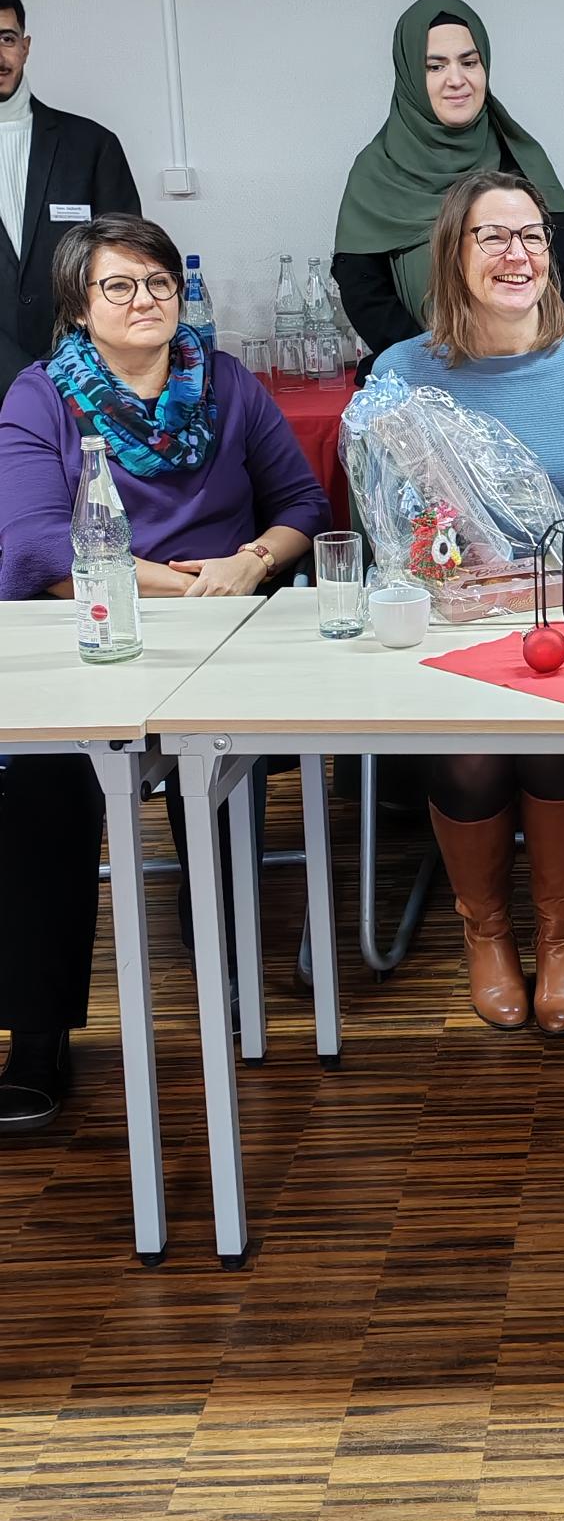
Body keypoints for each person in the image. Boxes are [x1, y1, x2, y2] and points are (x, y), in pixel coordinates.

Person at [0, 215, 328, 1130]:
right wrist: (177, 583)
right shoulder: (41, 396)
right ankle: (36, 1036)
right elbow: (36, 545)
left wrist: (252, 562)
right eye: (119, 286)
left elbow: (302, 503)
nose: (144, 301)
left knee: (216, 765)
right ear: (78, 307)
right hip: (88, 626)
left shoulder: (226, 383)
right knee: (44, 791)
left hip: (223, 628)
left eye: (159, 284)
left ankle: (224, 970)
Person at [372, 171, 564, 1036]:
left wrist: (539, 588)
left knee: (555, 741)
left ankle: (563, 931)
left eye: (531, 235)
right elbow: (396, 535)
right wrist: (453, 581)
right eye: (491, 236)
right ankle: (486, 931)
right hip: (450, 625)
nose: (516, 253)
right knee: (469, 752)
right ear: (452, 254)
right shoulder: (400, 375)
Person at [332, 0, 564, 363]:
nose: (457, 80)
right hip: (420, 373)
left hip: (528, 365)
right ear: (409, 75)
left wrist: (533, 358)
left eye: (469, 62)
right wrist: (435, 364)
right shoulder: (377, 170)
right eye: (435, 67)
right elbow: (365, 292)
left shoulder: (522, 158)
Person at [0, 0, 142, 401]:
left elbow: (127, 269)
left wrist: (70, 367)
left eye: (6, 38)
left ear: (25, 46)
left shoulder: (92, 146)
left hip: (85, 383)